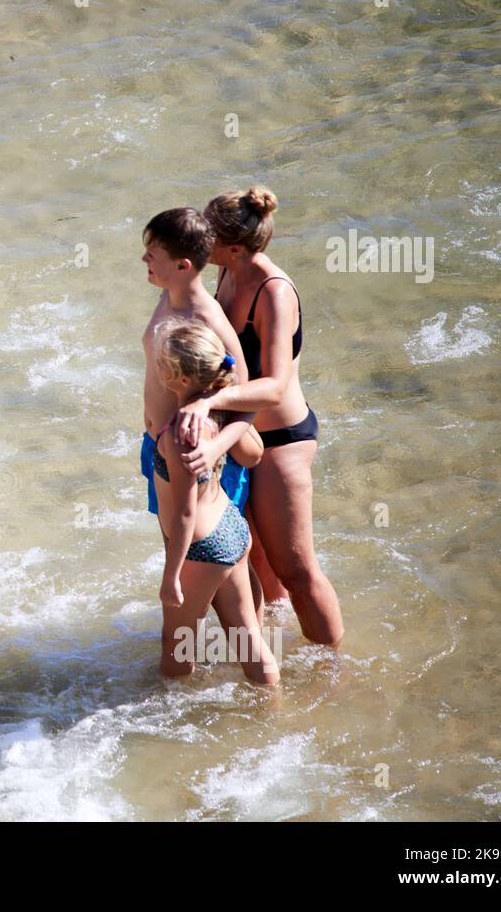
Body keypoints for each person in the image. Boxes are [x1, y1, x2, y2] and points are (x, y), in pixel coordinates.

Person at [170, 187, 344, 647]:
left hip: (280, 438)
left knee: (297, 569)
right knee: (253, 563)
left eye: (209, 238)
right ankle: (269, 657)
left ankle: (333, 670)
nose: (201, 243)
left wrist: (206, 403)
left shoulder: (274, 293)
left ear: (235, 248)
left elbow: (276, 385)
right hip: (238, 438)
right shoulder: (226, 270)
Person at [139, 207, 265, 611]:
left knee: (221, 567)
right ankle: (222, 648)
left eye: (151, 254)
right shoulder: (168, 293)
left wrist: (215, 449)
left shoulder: (204, 317)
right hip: (161, 448)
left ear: (182, 265)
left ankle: (249, 643)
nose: (144, 260)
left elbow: (247, 396)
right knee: (188, 567)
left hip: (199, 456)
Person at [151, 319, 278, 685]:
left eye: (161, 361)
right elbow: (253, 402)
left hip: (202, 546)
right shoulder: (210, 410)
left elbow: (186, 513)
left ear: (180, 377)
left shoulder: (182, 433)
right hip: (230, 526)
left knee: (176, 644)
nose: (155, 367)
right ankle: (274, 707)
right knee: (247, 638)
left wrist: (171, 577)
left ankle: (167, 722)